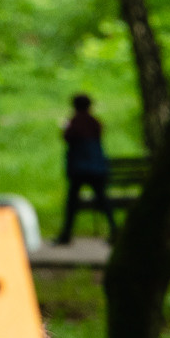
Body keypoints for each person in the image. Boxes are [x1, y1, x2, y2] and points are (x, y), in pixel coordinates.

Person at [59, 94, 111, 244]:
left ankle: (66, 234)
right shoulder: (94, 122)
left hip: (79, 169)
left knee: (72, 202)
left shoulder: (74, 122)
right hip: (96, 168)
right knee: (103, 199)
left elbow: (67, 137)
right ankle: (114, 229)